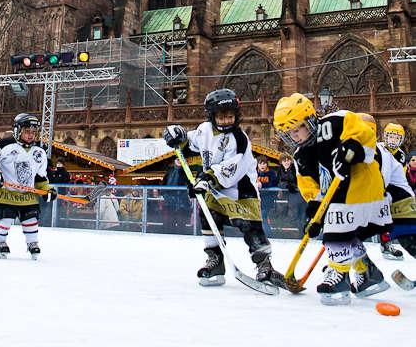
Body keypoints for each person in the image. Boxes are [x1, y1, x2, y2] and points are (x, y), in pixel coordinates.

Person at [273, 93, 391, 305]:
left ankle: (339, 276)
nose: (294, 136)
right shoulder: (300, 156)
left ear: (309, 118)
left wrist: (353, 147)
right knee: (342, 234)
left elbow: (366, 135)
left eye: (297, 128)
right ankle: (368, 275)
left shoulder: (336, 121)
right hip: (341, 201)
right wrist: (315, 212)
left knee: (335, 234)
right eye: (288, 133)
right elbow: (311, 188)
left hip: (363, 189)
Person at [163, 88, 286, 289]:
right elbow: (189, 142)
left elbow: (232, 166)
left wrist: (207, 179)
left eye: (230, 116)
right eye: (221, 117)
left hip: (241, 188)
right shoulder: (204, 130)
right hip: (213, 187)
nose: (226, 120)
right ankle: (216, 262)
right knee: (209, 219)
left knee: (249, 226)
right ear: (212, 116)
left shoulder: (239, 138)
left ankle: (265, 265)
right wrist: (177, 135)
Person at [0, 113, 57, 259]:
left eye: (33, 132)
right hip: (7, 192)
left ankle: (32, 243)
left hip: (28, 195)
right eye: (27, 132)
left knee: (31, 220)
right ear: (18, 130)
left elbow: (40, 178)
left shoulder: (39, 153)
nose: (31, 135)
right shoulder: (3, 145)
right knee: (5, 219)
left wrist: (47, 190)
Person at [359, 114, 416, 260]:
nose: (393, 140)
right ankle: (344, 259)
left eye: (397, 138)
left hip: (391, 193)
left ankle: (386, 244)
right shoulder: (377, 148)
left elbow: (400, 176)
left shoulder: (401, 155)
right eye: (391, 137)